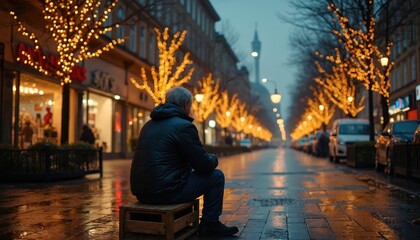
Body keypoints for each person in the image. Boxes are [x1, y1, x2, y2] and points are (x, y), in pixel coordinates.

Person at [130, 86, 238, 237]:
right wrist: (213, 158)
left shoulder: (148, 125)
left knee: (188, 175)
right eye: (191, 106)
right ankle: (210, 224)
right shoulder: (183, 126)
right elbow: (204, 166)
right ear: (186, 104)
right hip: (166, 192)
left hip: (142, 192)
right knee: (216, 176)